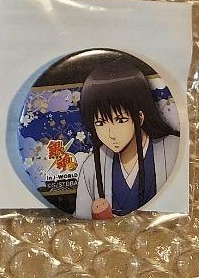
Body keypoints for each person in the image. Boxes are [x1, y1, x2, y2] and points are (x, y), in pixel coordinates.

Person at [74, 54, 180, 218]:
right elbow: (82, 222)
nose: (111, 134)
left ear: (140, 117)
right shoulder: (91, 167)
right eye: (100, 123)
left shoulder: (173, 149)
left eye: (120, 120)